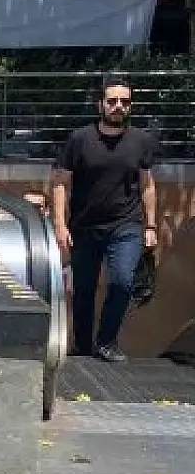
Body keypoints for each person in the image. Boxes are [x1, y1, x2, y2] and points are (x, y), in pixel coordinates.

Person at [51, 76, 159, 362]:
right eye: (112, 101)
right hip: (84, 226)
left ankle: (107, 342)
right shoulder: (79, 139)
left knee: (122, 282)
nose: (118, 106)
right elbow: (60, 183)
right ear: (100, 105)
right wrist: (60, 225)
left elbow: (147, 185)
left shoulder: (141, 141)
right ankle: (83, 345)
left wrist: (150, 225)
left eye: (125, 101)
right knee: (83, 290)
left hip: (126, 225)